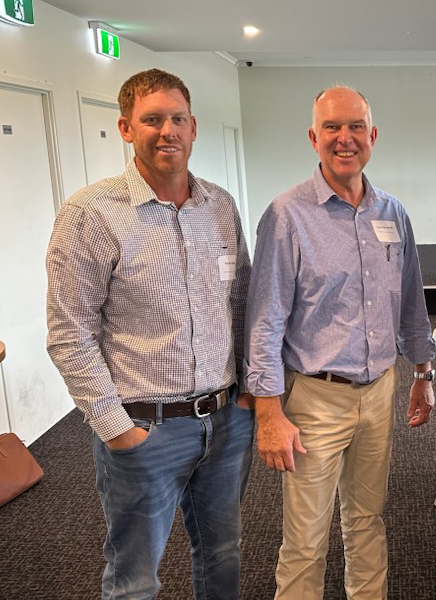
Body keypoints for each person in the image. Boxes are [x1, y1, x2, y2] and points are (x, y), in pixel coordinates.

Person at [46, 68, 254, 599]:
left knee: (224, 556)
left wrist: (250, 393)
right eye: (152, 119)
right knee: (135, 577)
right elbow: (70, 332)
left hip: (226, 423)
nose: (168, 131)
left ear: (194, 126)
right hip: (146, 429)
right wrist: (116, 427)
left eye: (177, 118)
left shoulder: (220, 207)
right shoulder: (90, 213)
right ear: (124, 128)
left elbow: (240, 304)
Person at [245, 85, 436, 600]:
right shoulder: (287, 215)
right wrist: (268, 412)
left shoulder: (392, 213)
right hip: (314, 400)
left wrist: (422, 373)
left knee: (367, 520)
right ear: (314, 137)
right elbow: (264, 320)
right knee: (306, 540)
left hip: (380, 393)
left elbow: (411, 301)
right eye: (332, 128)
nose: (344, 138)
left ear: (372, 137)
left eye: (355, 127)